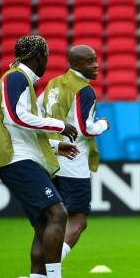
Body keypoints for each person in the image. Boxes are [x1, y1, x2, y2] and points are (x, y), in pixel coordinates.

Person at [0, 35, 86, 278]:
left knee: (43, 226)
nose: (47, 62)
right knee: (58, 212)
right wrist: (58, 125)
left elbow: (20, 129)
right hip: (15, 159)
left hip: (18, 155)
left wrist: (54, 145)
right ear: (39, 56)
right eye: (46, 57)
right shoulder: (16, 77)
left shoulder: (17, 79)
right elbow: (16, 117)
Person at [39, 45, 110, 263]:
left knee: (53, 219)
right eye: (89, 61)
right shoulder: (84, 89)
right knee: (78, 220)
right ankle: (51, 267)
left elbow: (38, 113)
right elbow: (84, 128)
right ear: (75, 64)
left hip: (50, 159)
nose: (96, 65)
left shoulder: (53, 83)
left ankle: (41, 271)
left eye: (95, 59)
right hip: (73, 160)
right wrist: (102, 125)